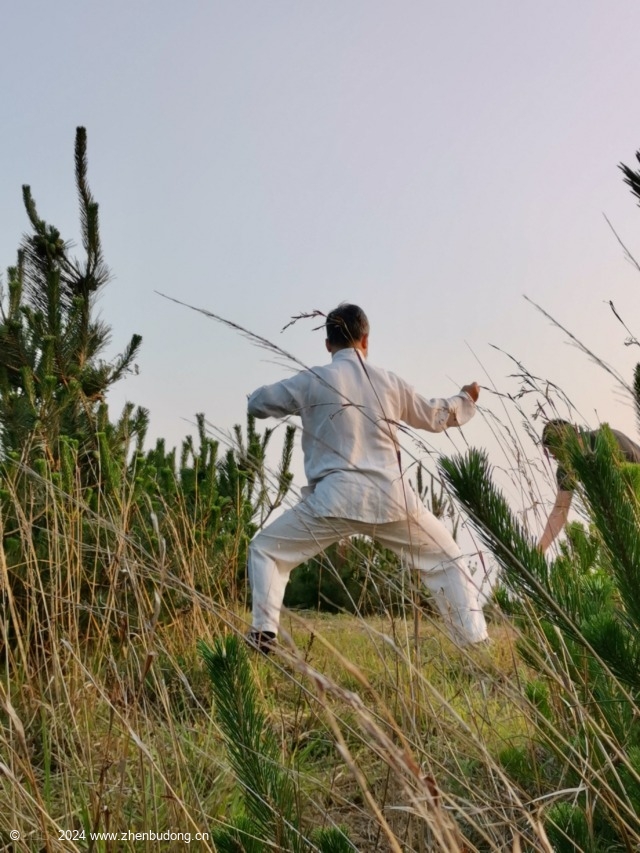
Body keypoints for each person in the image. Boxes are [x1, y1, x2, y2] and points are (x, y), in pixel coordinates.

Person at [246, 303, 488, 651]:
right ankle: (475, 642)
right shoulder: (389, 382)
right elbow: (436, 417)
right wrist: (466, 398)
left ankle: (264, 632)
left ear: (328, 344)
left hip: (333, 500)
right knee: (448, 561)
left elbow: (258, 404)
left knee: (266, 550)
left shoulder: (313, 380)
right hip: (393, 499)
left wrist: (257, 397)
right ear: (365, 340)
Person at [538, 418, 640, 552]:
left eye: (557, 452)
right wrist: (539, 550)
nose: (556, 459)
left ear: (572, 435)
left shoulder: (606, 439)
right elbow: (560, 509)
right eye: (553, 456)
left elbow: (631, 475)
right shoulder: (566, 469)